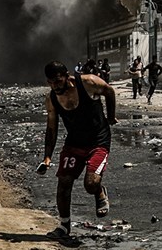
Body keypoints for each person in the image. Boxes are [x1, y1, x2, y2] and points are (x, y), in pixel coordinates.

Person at [37, 61, 118, 239]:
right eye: (50, 82)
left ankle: (99, 191)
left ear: (67, 76)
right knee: (64, 183)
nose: (55, 86)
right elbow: (52, 128)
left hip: (98, 141)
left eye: (58, 81)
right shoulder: (52, 98)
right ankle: (64, 226)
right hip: (74, 143)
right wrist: (47, 157)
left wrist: (110, 116)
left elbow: (109, 91)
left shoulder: (87, 82)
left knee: (90, 184)